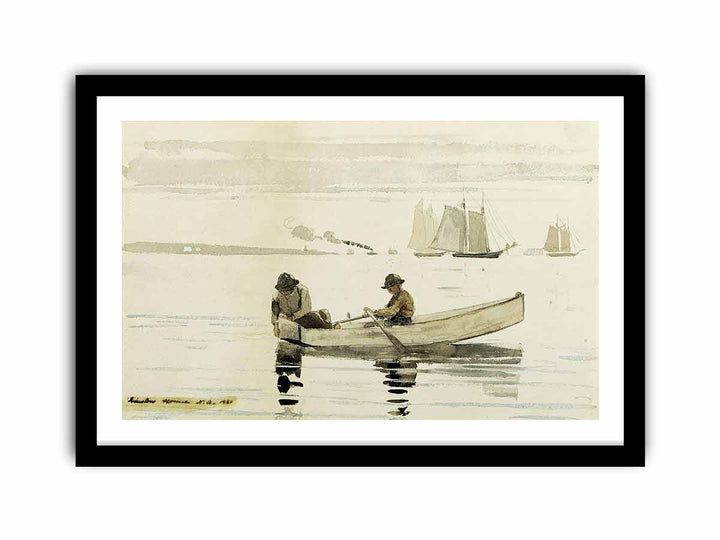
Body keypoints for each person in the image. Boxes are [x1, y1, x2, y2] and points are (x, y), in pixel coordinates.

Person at [271, 273, 336, 337]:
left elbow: (306, 309)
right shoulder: (276, 297)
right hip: (288, 322)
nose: (286, 293)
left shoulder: (302, 290)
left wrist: (292, 317)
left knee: (315, 316)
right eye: (283, 291)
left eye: (288, 290)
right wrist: (275, 325)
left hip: (303, 318)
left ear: (293, 287)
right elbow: (274, 314)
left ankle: (331, 329)